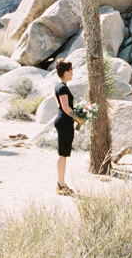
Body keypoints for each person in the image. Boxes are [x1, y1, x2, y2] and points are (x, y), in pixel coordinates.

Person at [53, 59, 83, 195]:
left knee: (63, 152)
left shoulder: (58, 86)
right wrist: (78, 118)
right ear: (65, 72)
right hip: (64, 121)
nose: (72, 73)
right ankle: (61, 184)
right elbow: (65, 107)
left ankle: (61, 183)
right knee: (63, 153)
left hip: (63, 121)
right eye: (71, 70)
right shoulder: (63, 88)